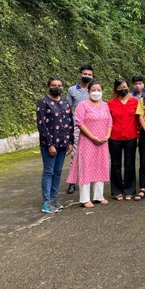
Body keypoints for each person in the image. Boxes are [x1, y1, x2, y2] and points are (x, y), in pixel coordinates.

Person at [66, 81, 112, 208]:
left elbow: (109, 121)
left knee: (101, 166)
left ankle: (98, 196)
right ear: (89, 91)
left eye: (98, 90)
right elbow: (79, 122)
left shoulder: (105, 105)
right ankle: (85, 199)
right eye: (93, 90)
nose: (96, 92)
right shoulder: (83, 105)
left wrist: (107, 135)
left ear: (102, 91)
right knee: (86, 168)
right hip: (87, 141)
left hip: (102, 141)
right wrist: (92, 137)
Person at [36, 77, 74, 213]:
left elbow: (70, 123)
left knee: (57, 172)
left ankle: (54, 199)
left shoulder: (65, 103)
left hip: (63, 143)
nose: (56, 87)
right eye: (53, 85)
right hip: (49, 144)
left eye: (59, 85)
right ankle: (46, 202)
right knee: (48, 171)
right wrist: (49, 144)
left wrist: (71, 142)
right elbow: (42, 125)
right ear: (48, 87)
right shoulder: (43, 102)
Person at [108, 79, 139, 201]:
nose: (123, 89)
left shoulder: (135, 102)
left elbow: (138, 120)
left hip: (131, 136)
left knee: (130, 164)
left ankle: (129, 190)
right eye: (120, 87)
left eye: (125, 87)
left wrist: (138, 136)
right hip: (114, 137)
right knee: (115, 164)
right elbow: (107, 121)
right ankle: (117, 191)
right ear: (116, 89)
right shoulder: (110, 103)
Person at [65, 64, 94, 194]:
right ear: (80, 74)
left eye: (90, 74)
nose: (87, 76)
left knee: (92, 152)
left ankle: (90, 177)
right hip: (77, 126)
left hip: (93, 126)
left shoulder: (94, 90)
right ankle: (72, 181)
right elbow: (67, 109)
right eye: (85, 74)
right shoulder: (72, 90)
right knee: (75, 153)